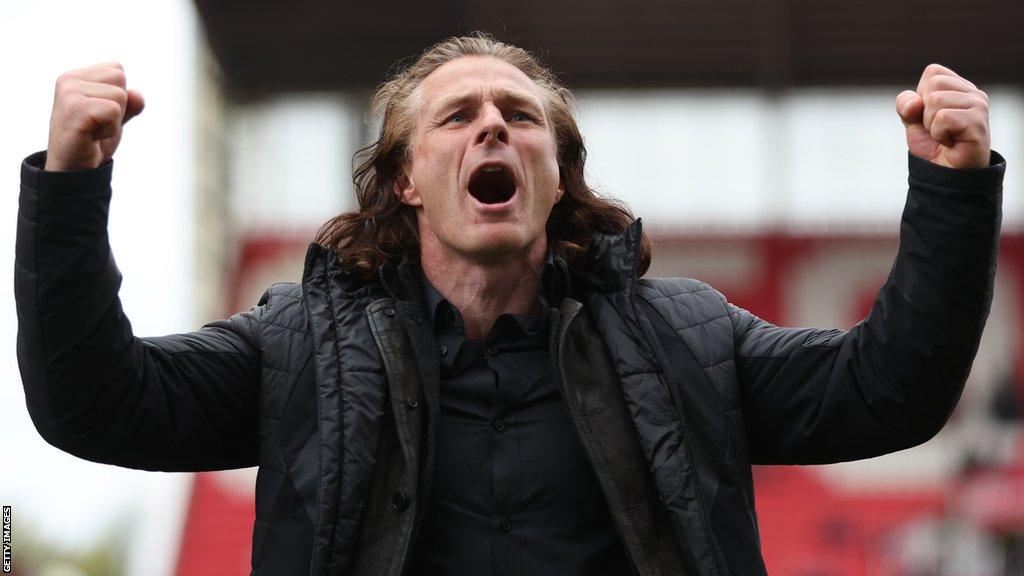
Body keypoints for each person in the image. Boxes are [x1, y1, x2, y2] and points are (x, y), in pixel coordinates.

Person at [16, 34, 1004, 576]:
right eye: (458, 116)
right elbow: (96, 406)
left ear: (555, 174)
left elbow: (889, 395)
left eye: (520, 117)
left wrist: (952, 189)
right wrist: (69, 189)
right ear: (404, 181)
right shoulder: (298, 345)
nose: (493, 123)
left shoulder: (689, 334)